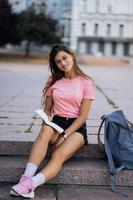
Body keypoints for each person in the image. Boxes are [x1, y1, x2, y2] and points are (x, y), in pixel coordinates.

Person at [10, 44, 95, 198]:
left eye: (64, 58)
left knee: (58, 155)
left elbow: (83, 116)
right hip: (56, 122)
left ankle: (30, 185)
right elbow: (48, 110)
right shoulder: (54, 81)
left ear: (72, 56)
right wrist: (46, 121)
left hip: (77, 128)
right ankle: (26, 178)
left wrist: (65, 135)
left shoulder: (86, 82)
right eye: (58, 61)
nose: (63, 63)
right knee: (44, 131)